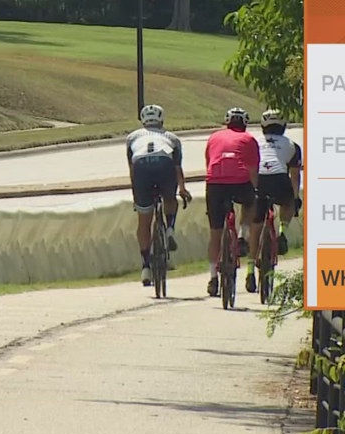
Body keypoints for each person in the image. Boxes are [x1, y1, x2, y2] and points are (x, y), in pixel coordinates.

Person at [126, 104, 191, 287]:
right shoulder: (172, 138)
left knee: (144, 220)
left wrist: (135, 194)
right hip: (164, 164)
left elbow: (132, 168)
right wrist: (182, 188)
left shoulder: (132, 137)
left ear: (142, 120)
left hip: (141, 168)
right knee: (170, 199)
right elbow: (177, 167)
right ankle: (169, 228)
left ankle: (145, 267)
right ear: (162, 120)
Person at [204, 107, 260, 297]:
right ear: (244, 124)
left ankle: (213, 277)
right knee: (251, 203)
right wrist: (255, 190)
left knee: (215, 233)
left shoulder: (213, 137)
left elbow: (209, 162)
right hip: (239, 182)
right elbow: (253, 170)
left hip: (215, 183)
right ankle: (243, 235)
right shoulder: (249, 139)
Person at [251, 109, 303, 260]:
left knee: (256, 225)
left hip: (259, 180)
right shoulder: (292, 145)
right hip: (279, 179)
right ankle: (282, 231)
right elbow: (294, 176)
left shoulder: (254, 142)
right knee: (289, 203)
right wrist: (295, 197)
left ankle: (249, 269)